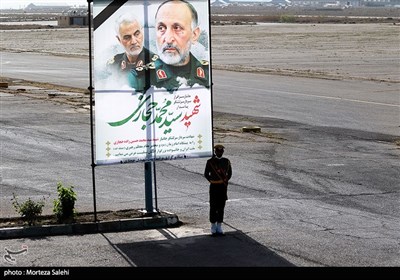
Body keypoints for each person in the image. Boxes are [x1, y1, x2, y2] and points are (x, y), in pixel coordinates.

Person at [128, 0, 210, 92]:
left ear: (194, 35)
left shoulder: (208, 73)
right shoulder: (139, 79)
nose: (168, 39)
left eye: (177, 28)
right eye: (161, 28)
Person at [106, 13, 153, 89]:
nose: (134, 41)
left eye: (137, 34)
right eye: (127, 37)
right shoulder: (113, 65)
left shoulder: (157, 64)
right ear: (119, 40)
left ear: (142, 33)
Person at [204, 144, 232, 236]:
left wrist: (225, 180)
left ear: (223, 152)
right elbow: (206, 174)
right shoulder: (210, 162)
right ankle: (213, 225)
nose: (219, 153)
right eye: (217, 151)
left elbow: (229, 173)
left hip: (222, 187)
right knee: (213, 205)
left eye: (221, 151)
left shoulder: (226, 161)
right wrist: (212, 181)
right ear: (215, 151)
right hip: (214, 186)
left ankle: (219, 225)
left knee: (221, 206)